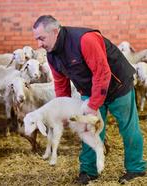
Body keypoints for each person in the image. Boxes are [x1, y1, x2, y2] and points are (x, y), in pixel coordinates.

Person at [32, 15, 146, 185]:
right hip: (90, 89)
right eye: (36, 39)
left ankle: (136, 168)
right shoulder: (52, 55)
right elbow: (61, 84)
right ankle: (88, 171)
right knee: (87, 129)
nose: (38, 44)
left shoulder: (85, 40)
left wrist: (93, 106)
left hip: (118, 85)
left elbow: (103, 73)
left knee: (128, 128)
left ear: (55, 32)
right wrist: (63, 111)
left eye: (41, 38)